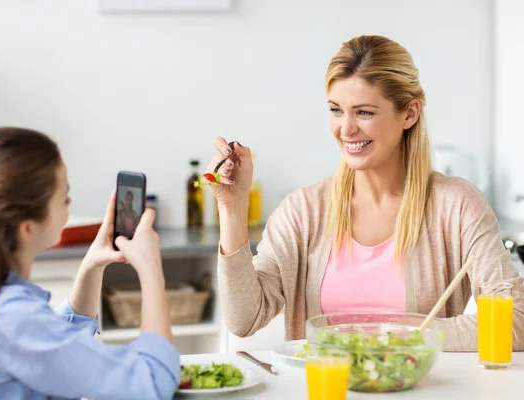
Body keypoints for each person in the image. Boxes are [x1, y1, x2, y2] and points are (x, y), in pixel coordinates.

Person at [206, 35, 524, 352]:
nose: (346, 129)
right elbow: (244, 320)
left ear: (409, 114)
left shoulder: (455, 206)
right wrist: (232, 208)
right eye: (336, 110)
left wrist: (404, 333)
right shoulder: (304, 211)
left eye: (364, 113)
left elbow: (516, 321)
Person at [0, 128, 179, 399]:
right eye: (64, 198)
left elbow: (55, 344)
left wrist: (92, 265)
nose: (69, 205)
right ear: (28, 228)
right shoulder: (15, 319)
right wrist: (151, 270)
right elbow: (151, 384)